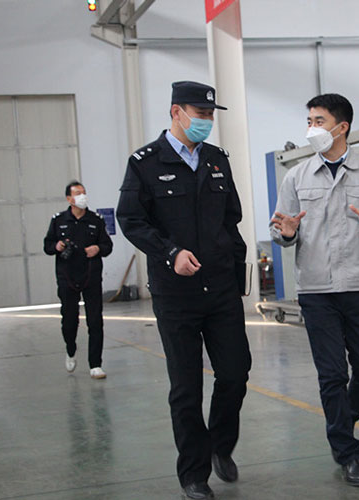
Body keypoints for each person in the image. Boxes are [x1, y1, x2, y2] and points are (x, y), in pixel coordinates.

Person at [116, 81, 251, 500]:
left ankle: (220, 445)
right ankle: (193, 473)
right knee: (186, 387)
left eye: (210, 114)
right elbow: (131, 220)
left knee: (235, 373)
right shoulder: (145, 162)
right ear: (176, 112)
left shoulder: (216, 160)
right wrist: (170, 252)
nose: (206, 121)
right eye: (200, 113)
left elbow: (231, 219)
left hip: (221, 289)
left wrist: (237, 271)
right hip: (176, 293)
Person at [270, 93, 359, 487]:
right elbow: (281, 228)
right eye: (309, 121)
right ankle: (348, 453)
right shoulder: (297, 176)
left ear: (342, 127)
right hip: (316, 290)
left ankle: (341, 419)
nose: (312, 129)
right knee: (332, 375)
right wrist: (285, 233)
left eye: (319, 121)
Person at [44, 181, 113, 379]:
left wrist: (98, 248)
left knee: (95, 320)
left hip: (91, 276)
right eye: (78, 193)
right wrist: (56, 246)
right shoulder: (58, 220)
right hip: (67, 277)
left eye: (84, 192)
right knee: (69, 319)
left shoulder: (95, 220)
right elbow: (47, 246)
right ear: (69, 199)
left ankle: (95, 364)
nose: (82, 196)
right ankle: (71, 349)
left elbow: (107, 246)